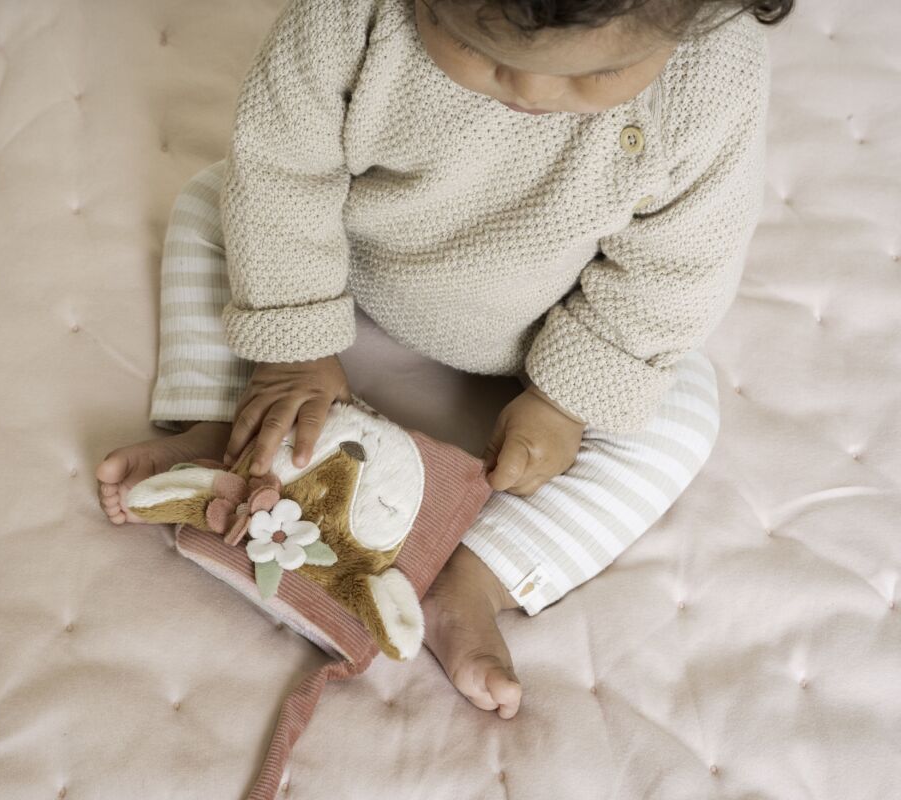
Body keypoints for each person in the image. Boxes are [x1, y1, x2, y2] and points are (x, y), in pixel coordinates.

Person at [98, 0, 793, 720]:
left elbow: (678, 268)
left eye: (602, 71)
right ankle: (233, 431)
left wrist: (565, 400)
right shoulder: (346, 16)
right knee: (213, 201)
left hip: (551, 321)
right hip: (356, 257)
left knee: (682, 406)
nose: (532, 92)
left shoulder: (714, 69)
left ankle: (472, 580)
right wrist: (293, 350)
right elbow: (282, 170)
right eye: (480, 49)